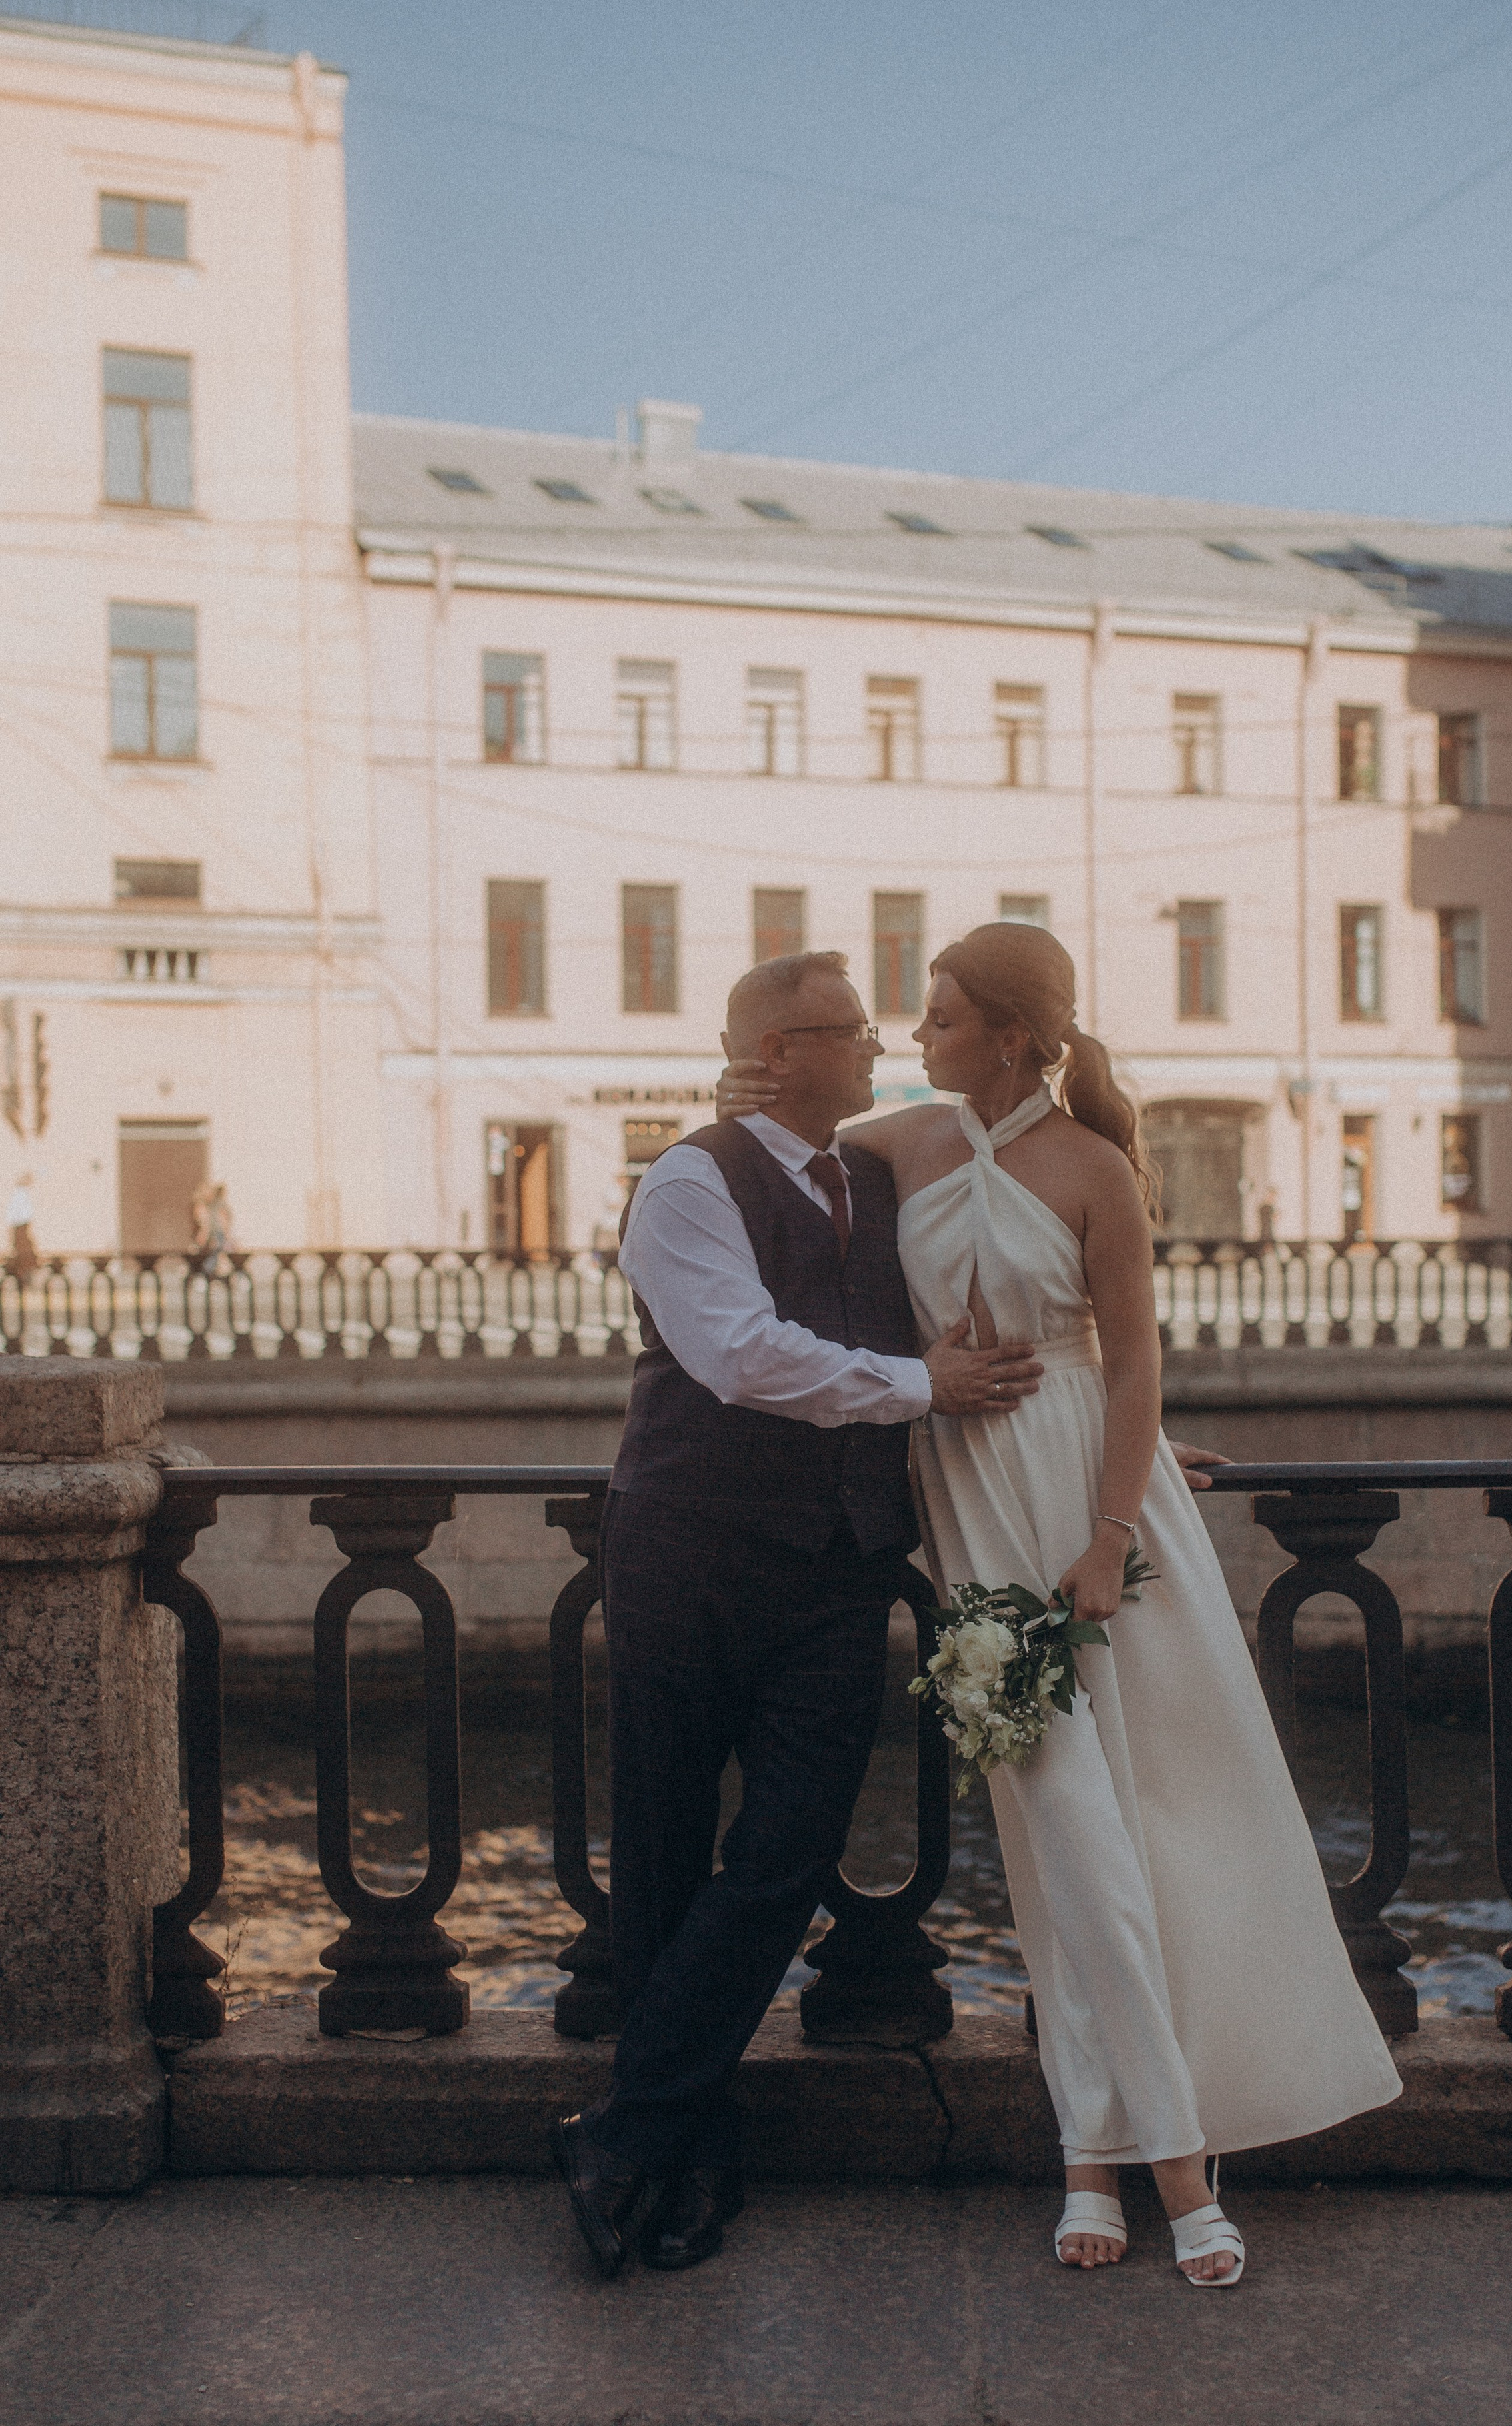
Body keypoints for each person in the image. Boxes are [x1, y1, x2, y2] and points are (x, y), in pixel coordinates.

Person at [719, 924, 1400, 2284]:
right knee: (1057, 1837)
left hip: (1099, 1527)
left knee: (1137, 1830)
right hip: (971, 1506)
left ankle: (1136, 2160)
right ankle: (1128, 2156)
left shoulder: (1096, 1171)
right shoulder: (900, 1144)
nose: (916, 1038)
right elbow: (788, 1158)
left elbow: (1132, 1363)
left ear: (1015, 1035)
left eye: (944, 1018)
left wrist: (1111, 1520)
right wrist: (744, 1090)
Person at [554, 950, 1050, 2281]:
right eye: (851, 1031)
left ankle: (624, 2126)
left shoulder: (874, 1176)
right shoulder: (686, 1179)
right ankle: (688, 2148)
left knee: (789, 1844)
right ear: (776, 1051)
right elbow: (735, 1353)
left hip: (835, 1563)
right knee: (662, 1852)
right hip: (688, 1550)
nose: (878, 1048)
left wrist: (1128, 1445)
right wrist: (914, 1385)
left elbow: (1010, 1222)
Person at [7, 1170, 37, 1277]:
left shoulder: (19, 1193)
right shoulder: (21, 1193)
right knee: (24, 1250)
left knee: (23, 1250)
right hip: (20, 1226)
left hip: (20, 1226)